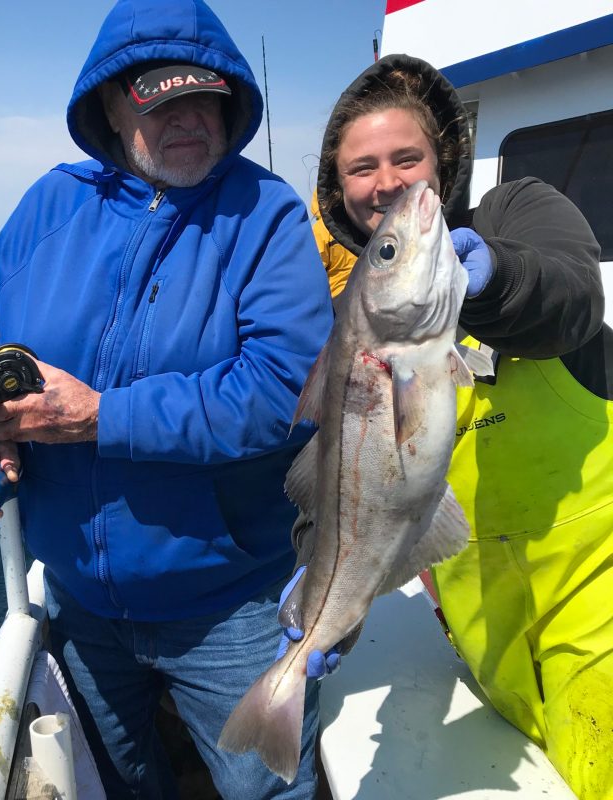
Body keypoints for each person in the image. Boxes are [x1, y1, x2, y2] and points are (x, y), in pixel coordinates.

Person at [0, 1, 334, 797]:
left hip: (231, 604)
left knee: (267, 787)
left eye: (207, 101)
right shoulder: (48, 205)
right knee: (116, 782)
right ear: (111, 107)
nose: (190, 120)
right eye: (163, 103)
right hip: (80, 600)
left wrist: (101, 416)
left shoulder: (266, 213)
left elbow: (283, 388)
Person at [289, 53, 613, 799]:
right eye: (361, 167)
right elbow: (342, 474)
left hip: (599, 598)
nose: (388, 183)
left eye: (407, 158)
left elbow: (572, 297)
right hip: (486, 648)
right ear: (337, 187)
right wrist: (321, 577)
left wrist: (495, 277)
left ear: (441, 162)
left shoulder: (516, 213)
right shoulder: (345, 325)